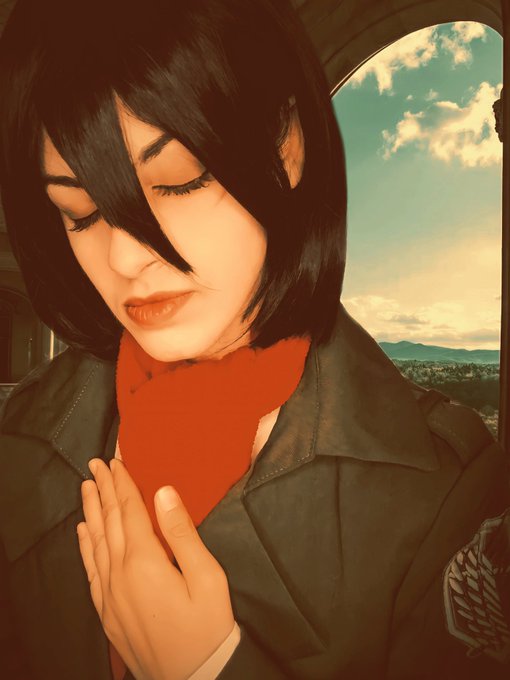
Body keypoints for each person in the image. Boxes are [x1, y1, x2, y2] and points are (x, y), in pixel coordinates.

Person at [0, 0, 508, 678]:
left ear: (285, 146)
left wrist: (209, 666)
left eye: (175, 180)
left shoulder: (448, 491)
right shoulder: (23, 425)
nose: (124, 256)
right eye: (80, 211)